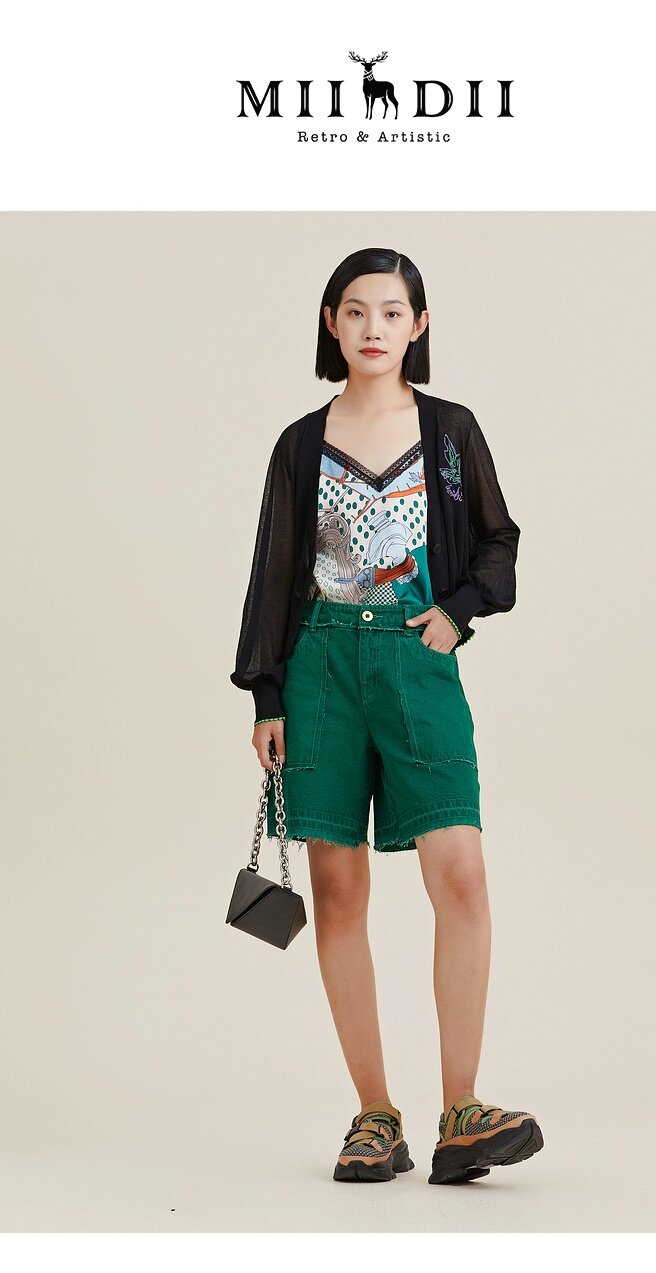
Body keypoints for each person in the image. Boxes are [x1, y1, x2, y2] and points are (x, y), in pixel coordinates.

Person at [230, 246, 544, 1185]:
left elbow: (498, 539)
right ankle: (375, 1115)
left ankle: (463, 1110)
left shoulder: (449, 432)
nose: (375, 327)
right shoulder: (300, 444)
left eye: (393, 311)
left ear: (420, 324)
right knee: (338, 891)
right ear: (332, 323)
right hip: (319, 670)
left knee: (462, 874)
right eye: (357, 310)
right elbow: (273, 570)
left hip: (416, 664)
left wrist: (457, 610)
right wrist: (268, 694)